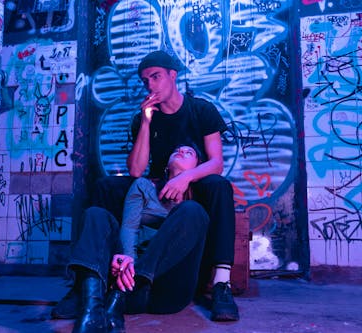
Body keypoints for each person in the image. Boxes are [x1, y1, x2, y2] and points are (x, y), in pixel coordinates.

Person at [51, 50, 239, 323]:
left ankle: (222, 284)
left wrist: (185, 178)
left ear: (172, 76)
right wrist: (147, 121)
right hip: (157, 186)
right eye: (145, 80)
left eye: (156, 77)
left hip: (193, 181)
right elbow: (136, 170)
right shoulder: (143, 118)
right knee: (105, 187)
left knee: (219, 186)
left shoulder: (201, 110)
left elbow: (216, 162)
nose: (150, 85)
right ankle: (88, 280)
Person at [69, 145, 210, 333]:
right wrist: (127, 261)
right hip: (126, 290)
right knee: (96, 215)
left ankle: (127, 286)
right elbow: (129, 226)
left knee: (193, 211)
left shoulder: (196, 201)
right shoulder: (144, 186)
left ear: (197, 168)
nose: (181, 152)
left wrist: (135, 272)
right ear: (166, 165)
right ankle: (92, 311)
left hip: (167, 291)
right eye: (176, 150)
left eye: (189, 152)